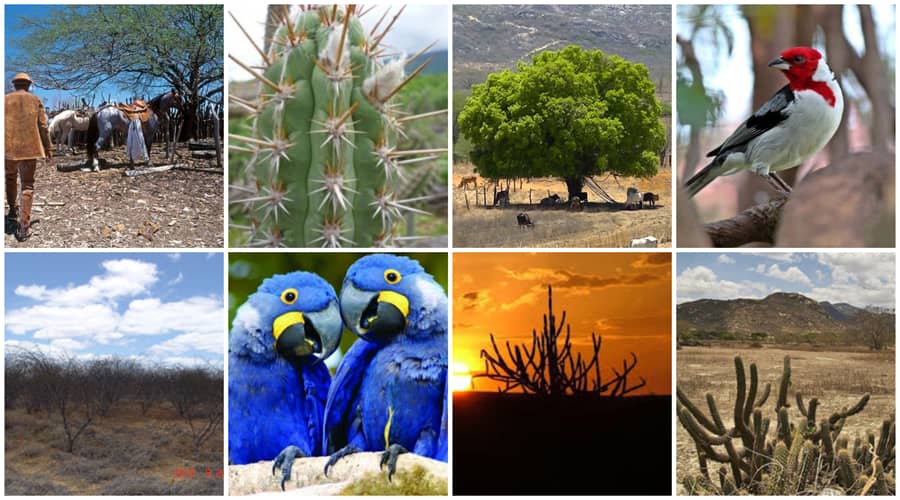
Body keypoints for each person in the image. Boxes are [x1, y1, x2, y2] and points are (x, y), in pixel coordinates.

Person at [5, 72, 52, 241]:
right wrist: (48, 147)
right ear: (29, 85)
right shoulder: (35, 100)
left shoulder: (4, 100)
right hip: (29, 150)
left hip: (8, 149)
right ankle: (24, 226)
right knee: (27, 185)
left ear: (14, 84)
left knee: (10, 178)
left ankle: (12, 210)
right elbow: (44, 126)